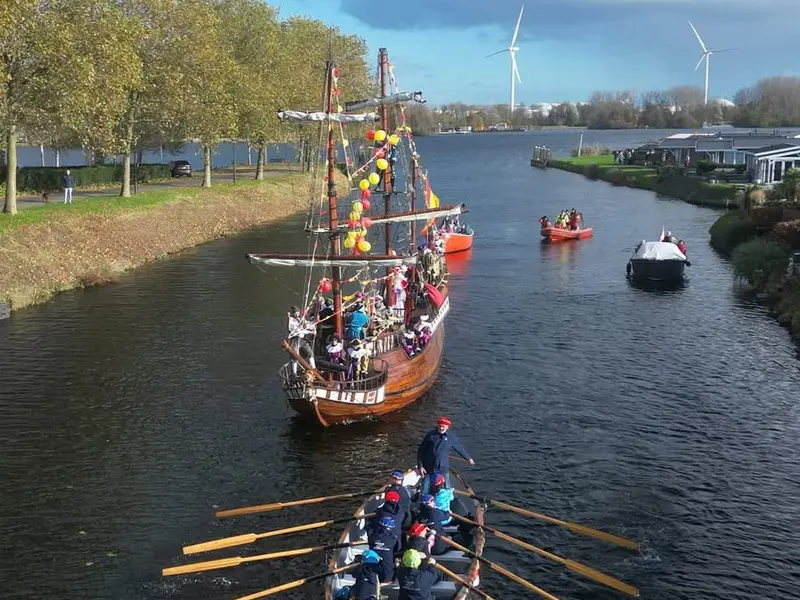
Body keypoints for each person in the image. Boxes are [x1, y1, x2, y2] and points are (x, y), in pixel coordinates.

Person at [417, 417, 474, 494]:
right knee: (425, 489)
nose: (441, 428)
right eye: (440, 426)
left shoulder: (451, 437)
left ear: (447, 427)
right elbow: (421, 451)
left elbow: (459, 448)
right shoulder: (430, 435)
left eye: (443, 426)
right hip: (429, 467)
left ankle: (444, 502)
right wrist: (420, 466)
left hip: (443, 468)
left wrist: (468, 458)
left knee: (446, 489)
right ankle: (424, 502)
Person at [367, 515, 402, 582]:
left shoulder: (372, 536)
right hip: (388, 574)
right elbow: (398, 548)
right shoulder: (393, 538)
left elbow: (370, 543)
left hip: (373, 572)